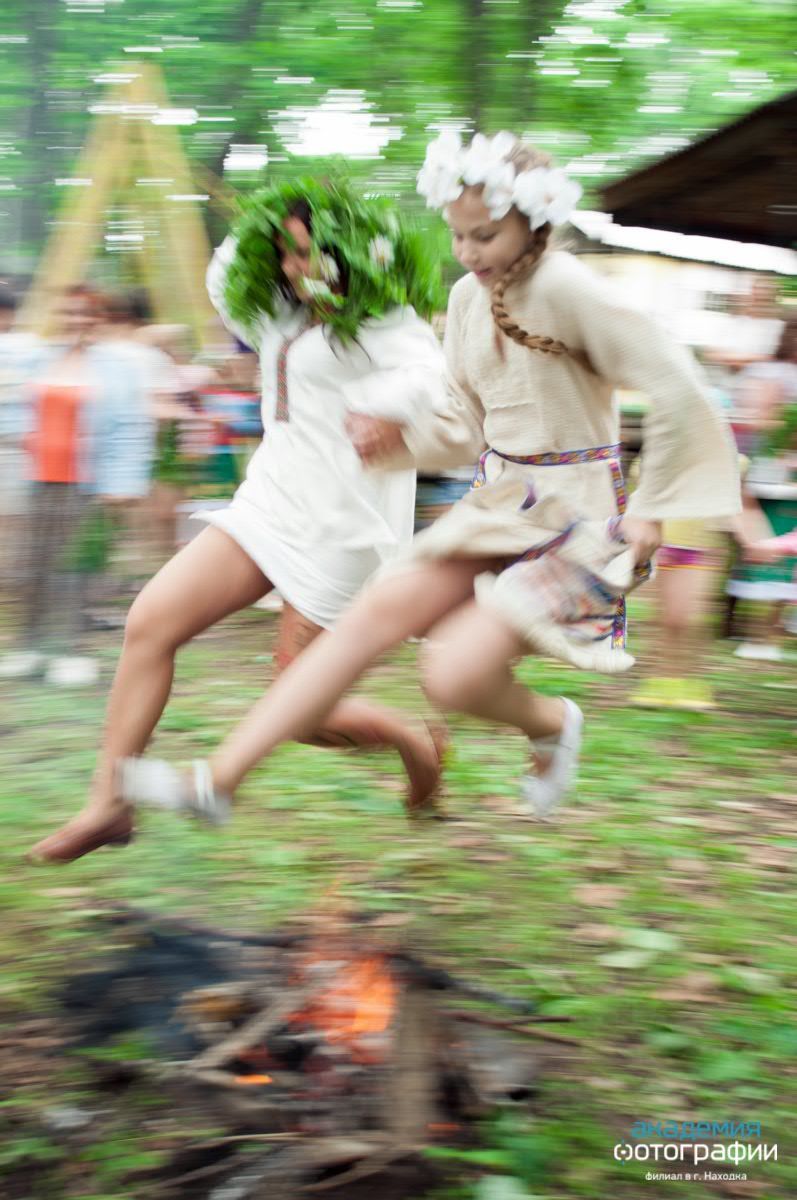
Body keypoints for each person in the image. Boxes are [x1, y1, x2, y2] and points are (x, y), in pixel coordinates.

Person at [105, 131, 741, 834]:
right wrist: (398, 436)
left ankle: (553, 722)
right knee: (370, 617)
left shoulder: (567, 287)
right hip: (500, 501)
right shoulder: (468, 299)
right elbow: (467, 423)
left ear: (534, 223)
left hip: (575, 520)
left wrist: (651, 509)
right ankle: (217, 782)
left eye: (484, 236)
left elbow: (679, 387)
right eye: (458, 236)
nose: (467, 252)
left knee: (452, 677)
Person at [28, 176, 447, 864]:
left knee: (299, 708)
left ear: (347, 252)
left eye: (307, 252)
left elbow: (430, 374)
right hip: (268, 504)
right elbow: (223, 276)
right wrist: (266, 224)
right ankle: (108, 805)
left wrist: (385, 407)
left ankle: (413, 741)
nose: (293, 266)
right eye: (285, 252)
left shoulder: (382, 320)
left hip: (338, 528)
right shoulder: (275, 311)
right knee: (149, 622)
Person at [0, 286, 154, 687]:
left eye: (87, 313)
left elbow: (131, 426)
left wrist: (125, 482)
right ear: (59, 315)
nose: (77, 320)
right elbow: (13, 408)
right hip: (37, 478)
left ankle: (71, 650)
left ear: (99, 319)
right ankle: (31, 647)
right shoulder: (37, 358)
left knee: (77, 568)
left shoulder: (116, 367)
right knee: (32, 565)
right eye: (70, 312)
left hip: (88, 481)